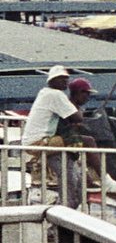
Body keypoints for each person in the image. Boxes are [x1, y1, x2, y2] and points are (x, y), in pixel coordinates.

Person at [21, 65, 85, 207]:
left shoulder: (45, 92)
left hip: (35, 141)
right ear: (52, 80)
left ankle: (79, 169)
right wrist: (75, 102)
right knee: (79, 139)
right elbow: (77, 117)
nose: (65, 82)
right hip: (39, 143)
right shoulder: (56, 94)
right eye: (61, 79)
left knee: (76, 141)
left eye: (66, 79)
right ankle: (103, 178)